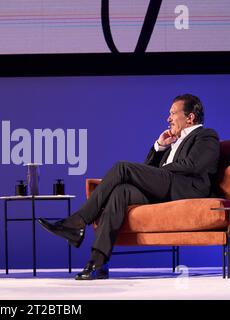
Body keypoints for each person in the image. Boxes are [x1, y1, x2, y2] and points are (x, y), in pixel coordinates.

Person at [38, 94, 220, 280]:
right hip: (165, 188)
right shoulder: (173, 141)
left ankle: (77, 222)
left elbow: (194, 165)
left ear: (190, 117)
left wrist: (163, 170)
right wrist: (159, 147)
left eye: (173, 113)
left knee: (122, 167)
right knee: (120, 192)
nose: (168, 118)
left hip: (185, 190)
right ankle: (98, 261)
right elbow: (149, 170)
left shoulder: (206, 135)